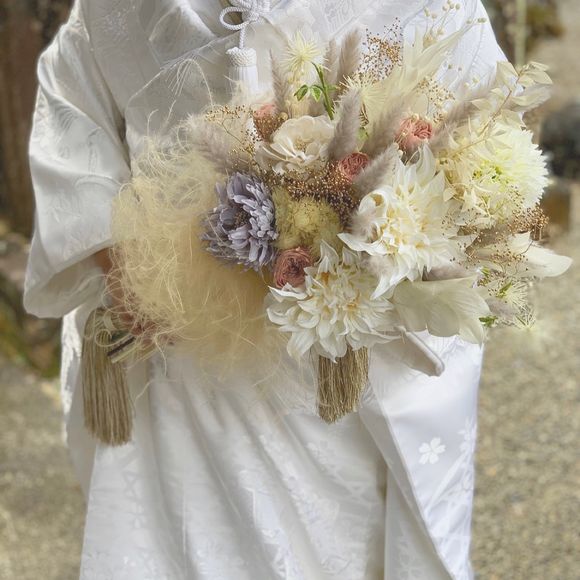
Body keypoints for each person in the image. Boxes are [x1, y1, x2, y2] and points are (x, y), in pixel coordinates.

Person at [24, 1, 505, 578]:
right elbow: (72, 96)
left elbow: (482, 121)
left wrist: (397, 234)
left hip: (343, 339)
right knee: (194, 538)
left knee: (346, 538)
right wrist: (119, 259)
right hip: (183, 336)